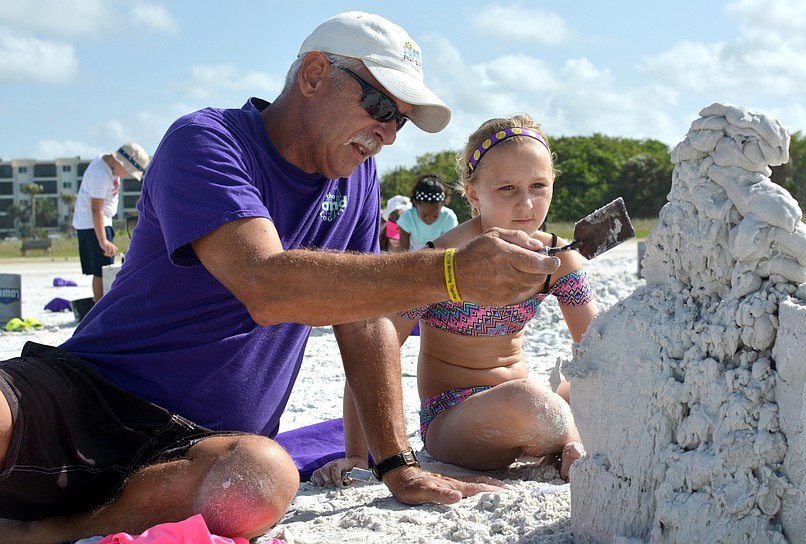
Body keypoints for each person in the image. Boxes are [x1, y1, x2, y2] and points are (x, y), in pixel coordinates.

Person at [0, 12, 563, 543]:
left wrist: (396, 463)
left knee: (262, 479)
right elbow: (266, 283)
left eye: (399, 121)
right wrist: (450, 272)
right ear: (315, 74)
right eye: (379, 106)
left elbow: (362, 319)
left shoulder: (358, 180)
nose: (387, 133)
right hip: (93, 391)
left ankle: (43, 533)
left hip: (207, 446)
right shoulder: (209, 141)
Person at [312, 114, 597, 488]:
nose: (526, 204)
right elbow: (370, 349)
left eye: (539, 186)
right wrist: (355, 453)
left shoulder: (558, 258)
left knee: (593, 380)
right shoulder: (441, 260)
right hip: (453, 417)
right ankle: (569, 437)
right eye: (508, 188)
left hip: (520, 402)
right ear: (474, 193)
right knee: (533, 401)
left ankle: (565, 436)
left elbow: (597, 347)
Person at [72, 142, 150, 301]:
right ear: (120, 162)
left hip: (102, 221)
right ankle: (99, 307)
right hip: (92, 224)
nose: (127, 175)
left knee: (103, 268)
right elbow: (96, 209)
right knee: (102, 269)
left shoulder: (109, 165)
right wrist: (103, 240)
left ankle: (101, 303)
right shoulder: (100, 174)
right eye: (128, 171)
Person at [397, 173, 458, 250]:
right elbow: (403, 252)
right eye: (424, 215)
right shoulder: (407, 218)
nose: (430, 220)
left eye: (435, 215)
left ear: (443, 203)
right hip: (412, 260)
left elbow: (449, 249)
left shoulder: (448, 218)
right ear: (415, 203)